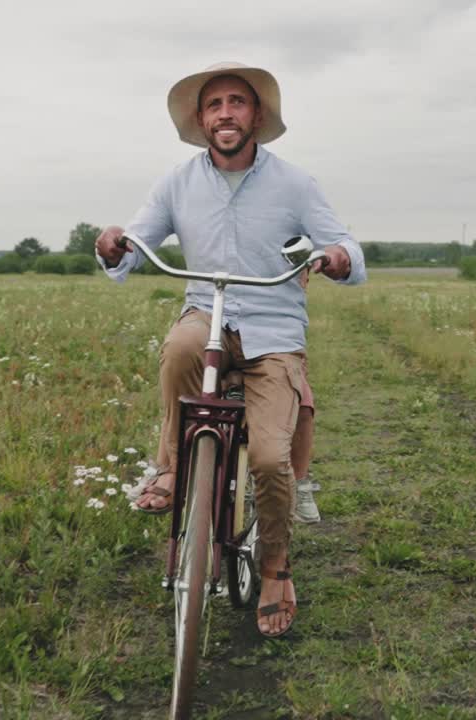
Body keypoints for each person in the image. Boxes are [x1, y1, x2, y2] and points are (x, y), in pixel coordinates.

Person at [96, 62, 365, 637]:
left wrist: (338, 257)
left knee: (270, 460)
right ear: (200, 119)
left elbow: (342, 242)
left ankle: (274, 569)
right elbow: (138, 242)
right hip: (208, 315)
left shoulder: (295, 183)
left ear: (257, 116)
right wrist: (117, 247)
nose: (225, 113)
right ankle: (169, 467)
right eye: (215, 104)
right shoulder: (176, 182)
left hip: (274, 331)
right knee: (178, 347)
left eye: (237, 102)